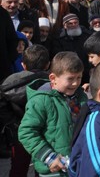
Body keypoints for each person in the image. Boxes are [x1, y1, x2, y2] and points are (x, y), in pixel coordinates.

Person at [18, 51, 87, 176]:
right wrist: (48, 157)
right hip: (53, 170)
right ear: (53, 78)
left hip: (78, 166)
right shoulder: (41, 101)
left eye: (79, 77)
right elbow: (26, 132)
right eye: (70, 78)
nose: (76, 83)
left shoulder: (81, 97)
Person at [0, 45, 49, 177]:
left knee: (18, 168)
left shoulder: (9, 82)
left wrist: (14, 124)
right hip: (46, 134)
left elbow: (2, 107)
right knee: (44, 168)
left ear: (23, 64)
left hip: (18, 135)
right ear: (47, 65)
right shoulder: (53, 82)